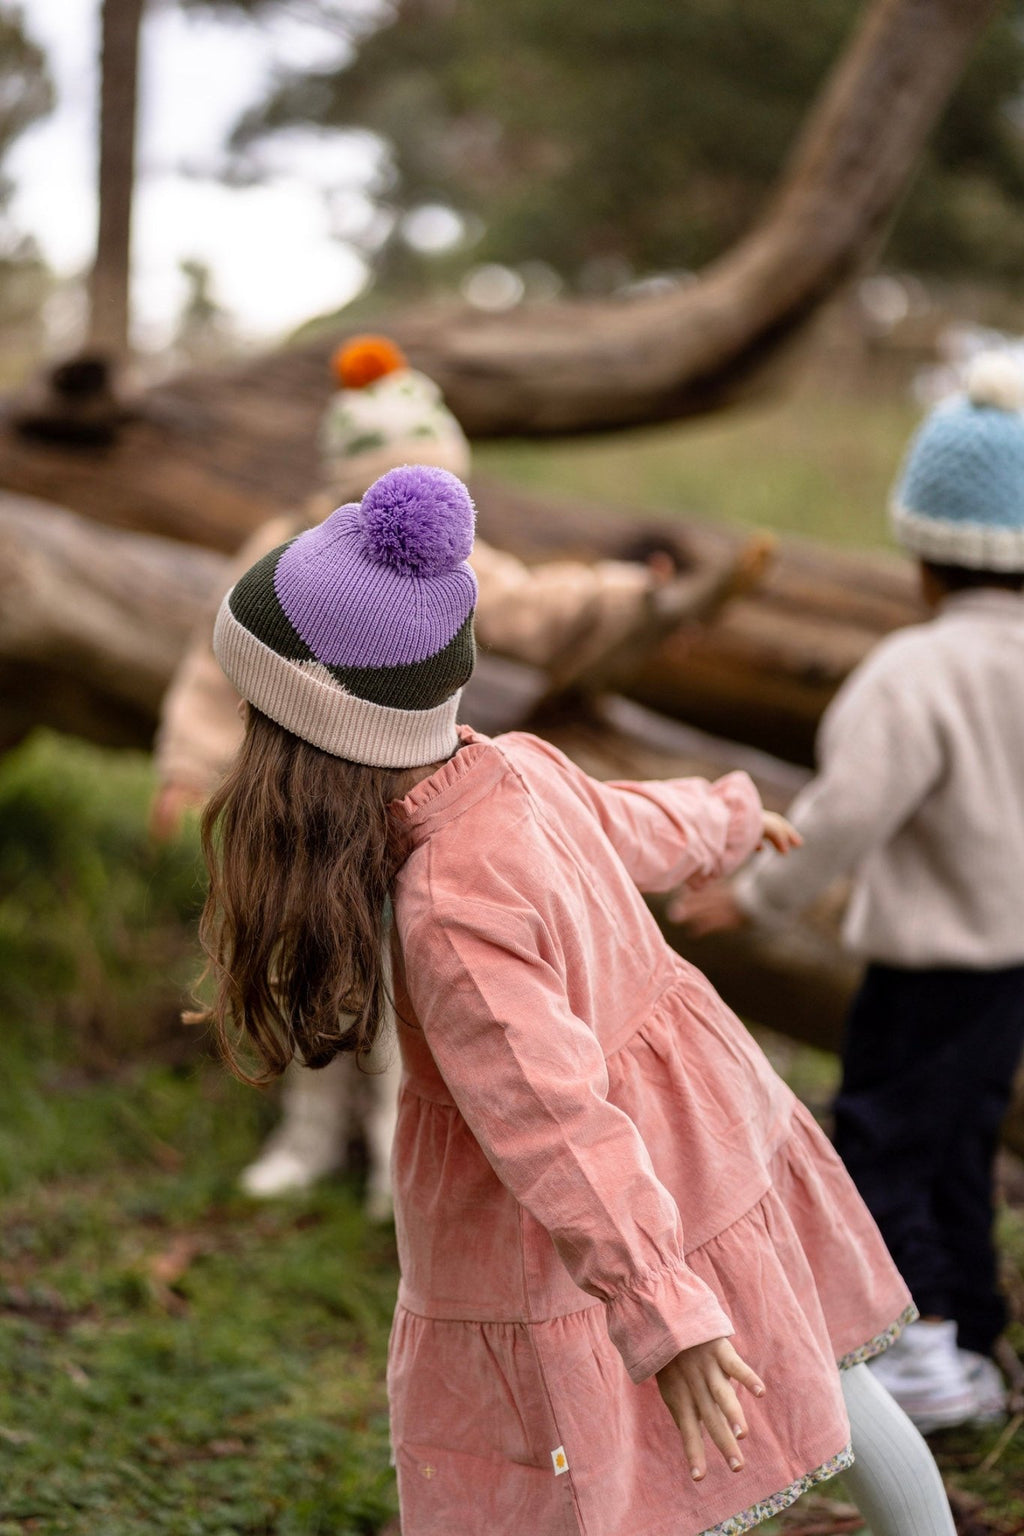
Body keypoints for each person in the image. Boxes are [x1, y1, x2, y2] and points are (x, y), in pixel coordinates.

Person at [192, 462, 957, 1536]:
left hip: (578, 1212)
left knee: (560, 1462)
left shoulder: (448, 910)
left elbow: (554, 1120)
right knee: (816, 1363)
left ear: (310, 733)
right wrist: (727, 819)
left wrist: (659, 1308)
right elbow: (629, 820)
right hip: (698, 1127)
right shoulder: (516, 768)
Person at [154, 334, 766, 1207]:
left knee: (401, 990)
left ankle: (395, 1157)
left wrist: (630, 596)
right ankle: (308, 1134)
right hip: (303, 822)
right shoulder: (290, 552)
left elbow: (531, 602)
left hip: (402, 820)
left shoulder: (448, 567)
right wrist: (188, 760)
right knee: (304, 966)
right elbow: (219, 662)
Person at [674, 353, 1024, 1435]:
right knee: (959, 1142)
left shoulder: (914, 674)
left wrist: (758, 896)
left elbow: (844, 811)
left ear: (920, 555)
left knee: (877, 1139)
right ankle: (974, 1342)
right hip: (1009, 969)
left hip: (926, 971)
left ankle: (920, 1360)